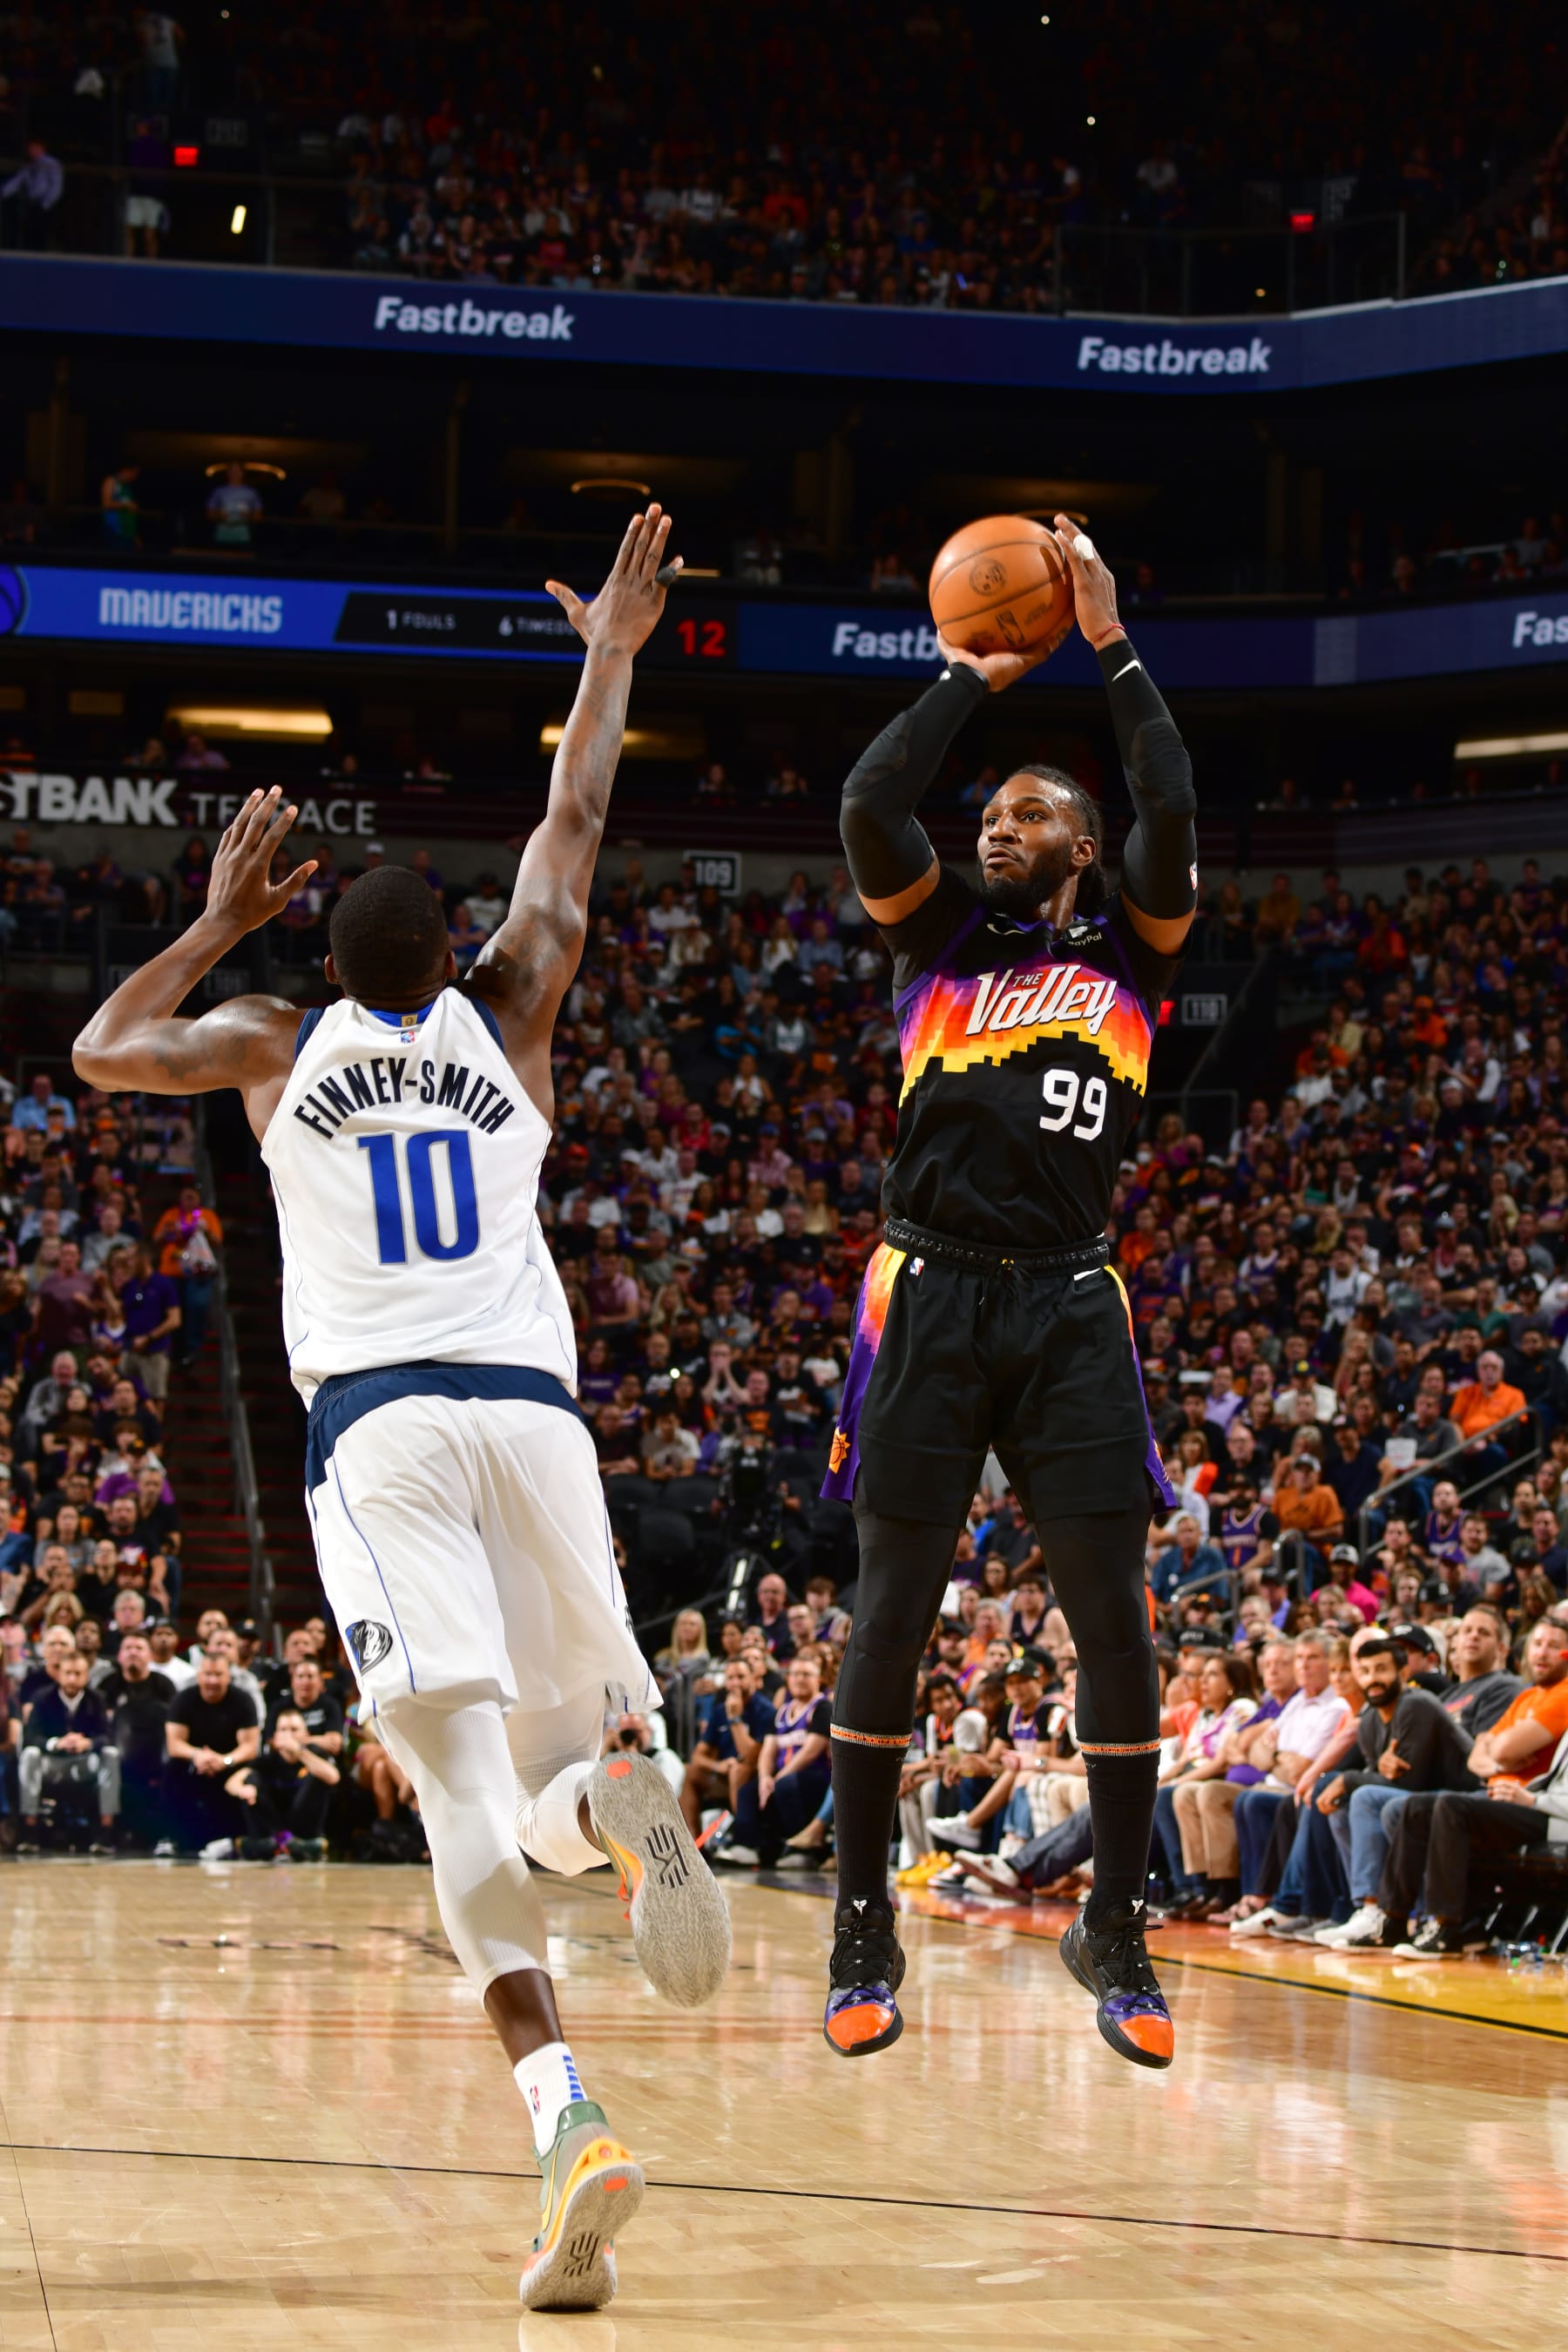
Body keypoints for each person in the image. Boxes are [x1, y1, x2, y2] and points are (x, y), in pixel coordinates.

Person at [71, 505, 729, 2314]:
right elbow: (573, 823)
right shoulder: (511, 1004)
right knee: (556, 1759)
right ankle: (616, 1800)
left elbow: (101, 1051)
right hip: (535, 1417)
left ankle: (567, 2110)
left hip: (383, 1430)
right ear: (445, 952)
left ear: (327, 958)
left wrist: (214, 920)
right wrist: (605, 653)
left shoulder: (278, 1042)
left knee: (445, 1788)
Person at [821, 524, 1196, 2066]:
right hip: (929, 1287)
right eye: (990, 808)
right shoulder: (941, 936)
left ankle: (1116, 1923)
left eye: (1029, 811)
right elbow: (867, 803)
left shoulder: (1138, 944)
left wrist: (1108, 644)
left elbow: (1170, 797)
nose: (994, 824)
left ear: (1082, 848)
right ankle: (861, 1923)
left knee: (1114, 1612)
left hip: (1068, 1300)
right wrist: (961, 682)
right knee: (890, 1610)